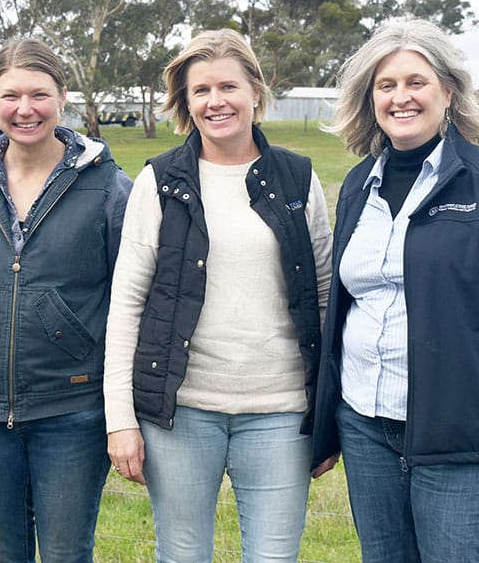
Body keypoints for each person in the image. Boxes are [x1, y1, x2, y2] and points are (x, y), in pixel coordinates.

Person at [310, 19, 479, 563]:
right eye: (386, 85)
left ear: (449, 92)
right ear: (370, 99)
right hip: (364, 426)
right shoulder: (359, 187)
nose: (401, 97)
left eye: (417, 82)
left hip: (464, 435)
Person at [103, 28, 334, 562]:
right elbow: (128, 304)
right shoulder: (159, 181)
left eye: (228, 86)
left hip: (281, 414)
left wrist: (326, 416)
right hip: (181, 413)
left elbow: (324, 297)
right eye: (201, 90)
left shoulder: (298, 179)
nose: (216, 101)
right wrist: (120, 419)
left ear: (255, 91)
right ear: (186, 102)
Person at [0, 37, 132, 563]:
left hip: (72, 407)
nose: (25, 109)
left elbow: (126, 297)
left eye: (39, 95)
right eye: (11, 96)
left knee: (68, 553)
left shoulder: (110, 187)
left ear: (62, 97)